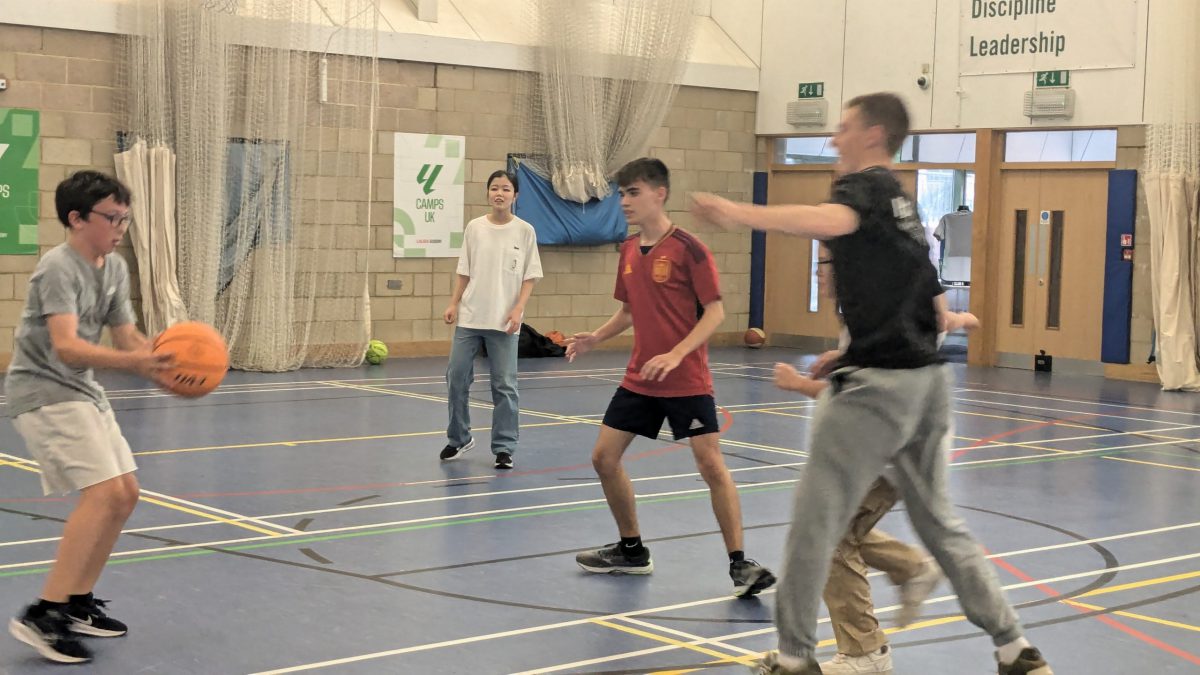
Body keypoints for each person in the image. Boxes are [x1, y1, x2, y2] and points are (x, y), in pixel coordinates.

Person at [691, 93, 1053, 675]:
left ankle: (795, 657)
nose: (834, 139)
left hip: (878, 393)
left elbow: (827, 221)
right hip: (928, 385)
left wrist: (740, 214)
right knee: (941, 527)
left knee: (815, 528)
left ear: (874, 134)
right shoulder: (904, 205)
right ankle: (1015, 649)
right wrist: (850, 349)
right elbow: (930, 304)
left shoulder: (860, 190)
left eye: (844, 128)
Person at [565, 157, 776, 597]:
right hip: (641, 378)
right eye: (621, 194)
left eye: (633, 192)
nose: (624, 201)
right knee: (604, 458)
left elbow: (715, 312)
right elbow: (628, 311)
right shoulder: (627, 249)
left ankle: (740, 563)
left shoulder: (689, 249)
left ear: (659, 194)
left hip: (686, 379)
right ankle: (631, 550)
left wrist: (678, 353)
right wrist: (595, 338)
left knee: (710, 465)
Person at [771, 243, 980, 675]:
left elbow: (856, 398)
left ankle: (865, 651)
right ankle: (911, 568)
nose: (818, 273)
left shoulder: (876, 318)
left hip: (889, 450)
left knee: (832, 538)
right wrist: (960, 319)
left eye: (824, 264)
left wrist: (797, 385)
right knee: (837, 532)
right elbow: (953, 321)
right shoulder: (867, 313)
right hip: (881, 446)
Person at [6, 171, 173, 664]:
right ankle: (44, 613)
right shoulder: (57, 267)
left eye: (125, 219)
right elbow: (67, 346)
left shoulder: (114, 267)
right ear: (77, 219)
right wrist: (134, 363)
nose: (120, 228)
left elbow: (125, 335)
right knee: (102, 494)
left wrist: (165, 358)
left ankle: (77, 601)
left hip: (83, 391)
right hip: (44, 391)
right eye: (111, 218)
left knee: (125, 494)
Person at [440, 170, 542, 470]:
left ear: (515, 196)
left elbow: (530, 276)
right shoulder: (475, 228)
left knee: (504, 386)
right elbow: (464, 271)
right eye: (495, 188)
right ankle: (459, 438)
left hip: (504, 323)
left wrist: (518, 308)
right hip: (470, 319)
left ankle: (504, 447)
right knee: (456, 377)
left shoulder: (525, 231)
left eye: (506, 189)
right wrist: (454, 303)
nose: (500, 193)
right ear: (488, 193)